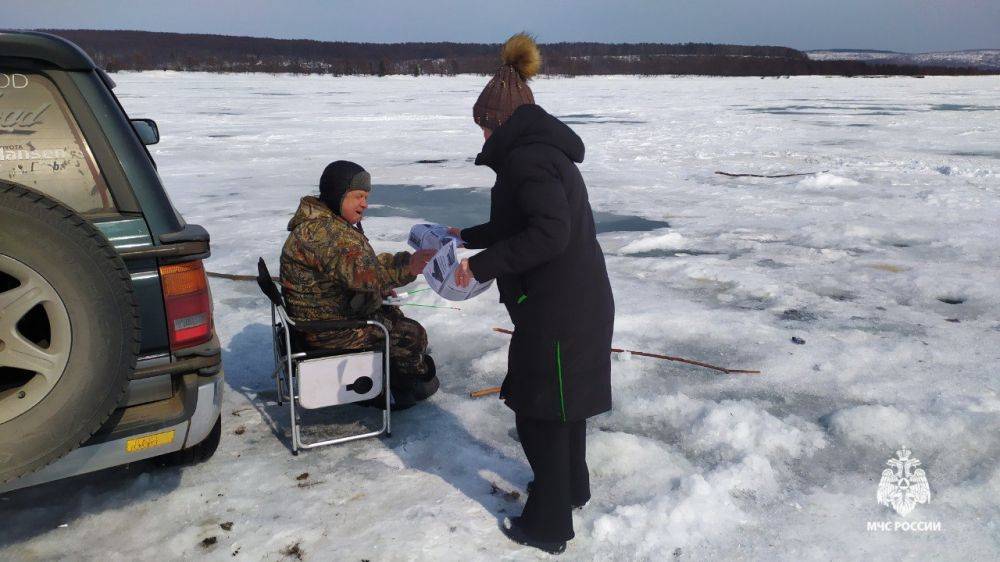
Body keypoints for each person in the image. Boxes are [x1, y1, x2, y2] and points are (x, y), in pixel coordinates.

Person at [451, 34, 615, 554]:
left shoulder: (528, 160)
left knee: (539, 411)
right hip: (568, 304)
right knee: (559, 407)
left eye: (482, 123)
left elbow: (549, 234)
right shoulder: (536, 153)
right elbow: (526, 221)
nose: (478, 133)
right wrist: (469, 237)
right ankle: (573, 490)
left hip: (559, 310)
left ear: (498, 122)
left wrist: (477, 267)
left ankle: (548, 525)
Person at [280, 160, 439, 408]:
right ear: (337, 194)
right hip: (332, 330)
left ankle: (389, 370)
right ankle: (404, 385)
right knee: (412, 335)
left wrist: (392, 273)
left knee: (391, 311)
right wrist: (409, 267)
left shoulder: (323, 223)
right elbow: (364, 275)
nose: (364, 204)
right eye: (358, 196)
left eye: (366, 196)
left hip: (324, 316)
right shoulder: (326, 234)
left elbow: (359, 265)